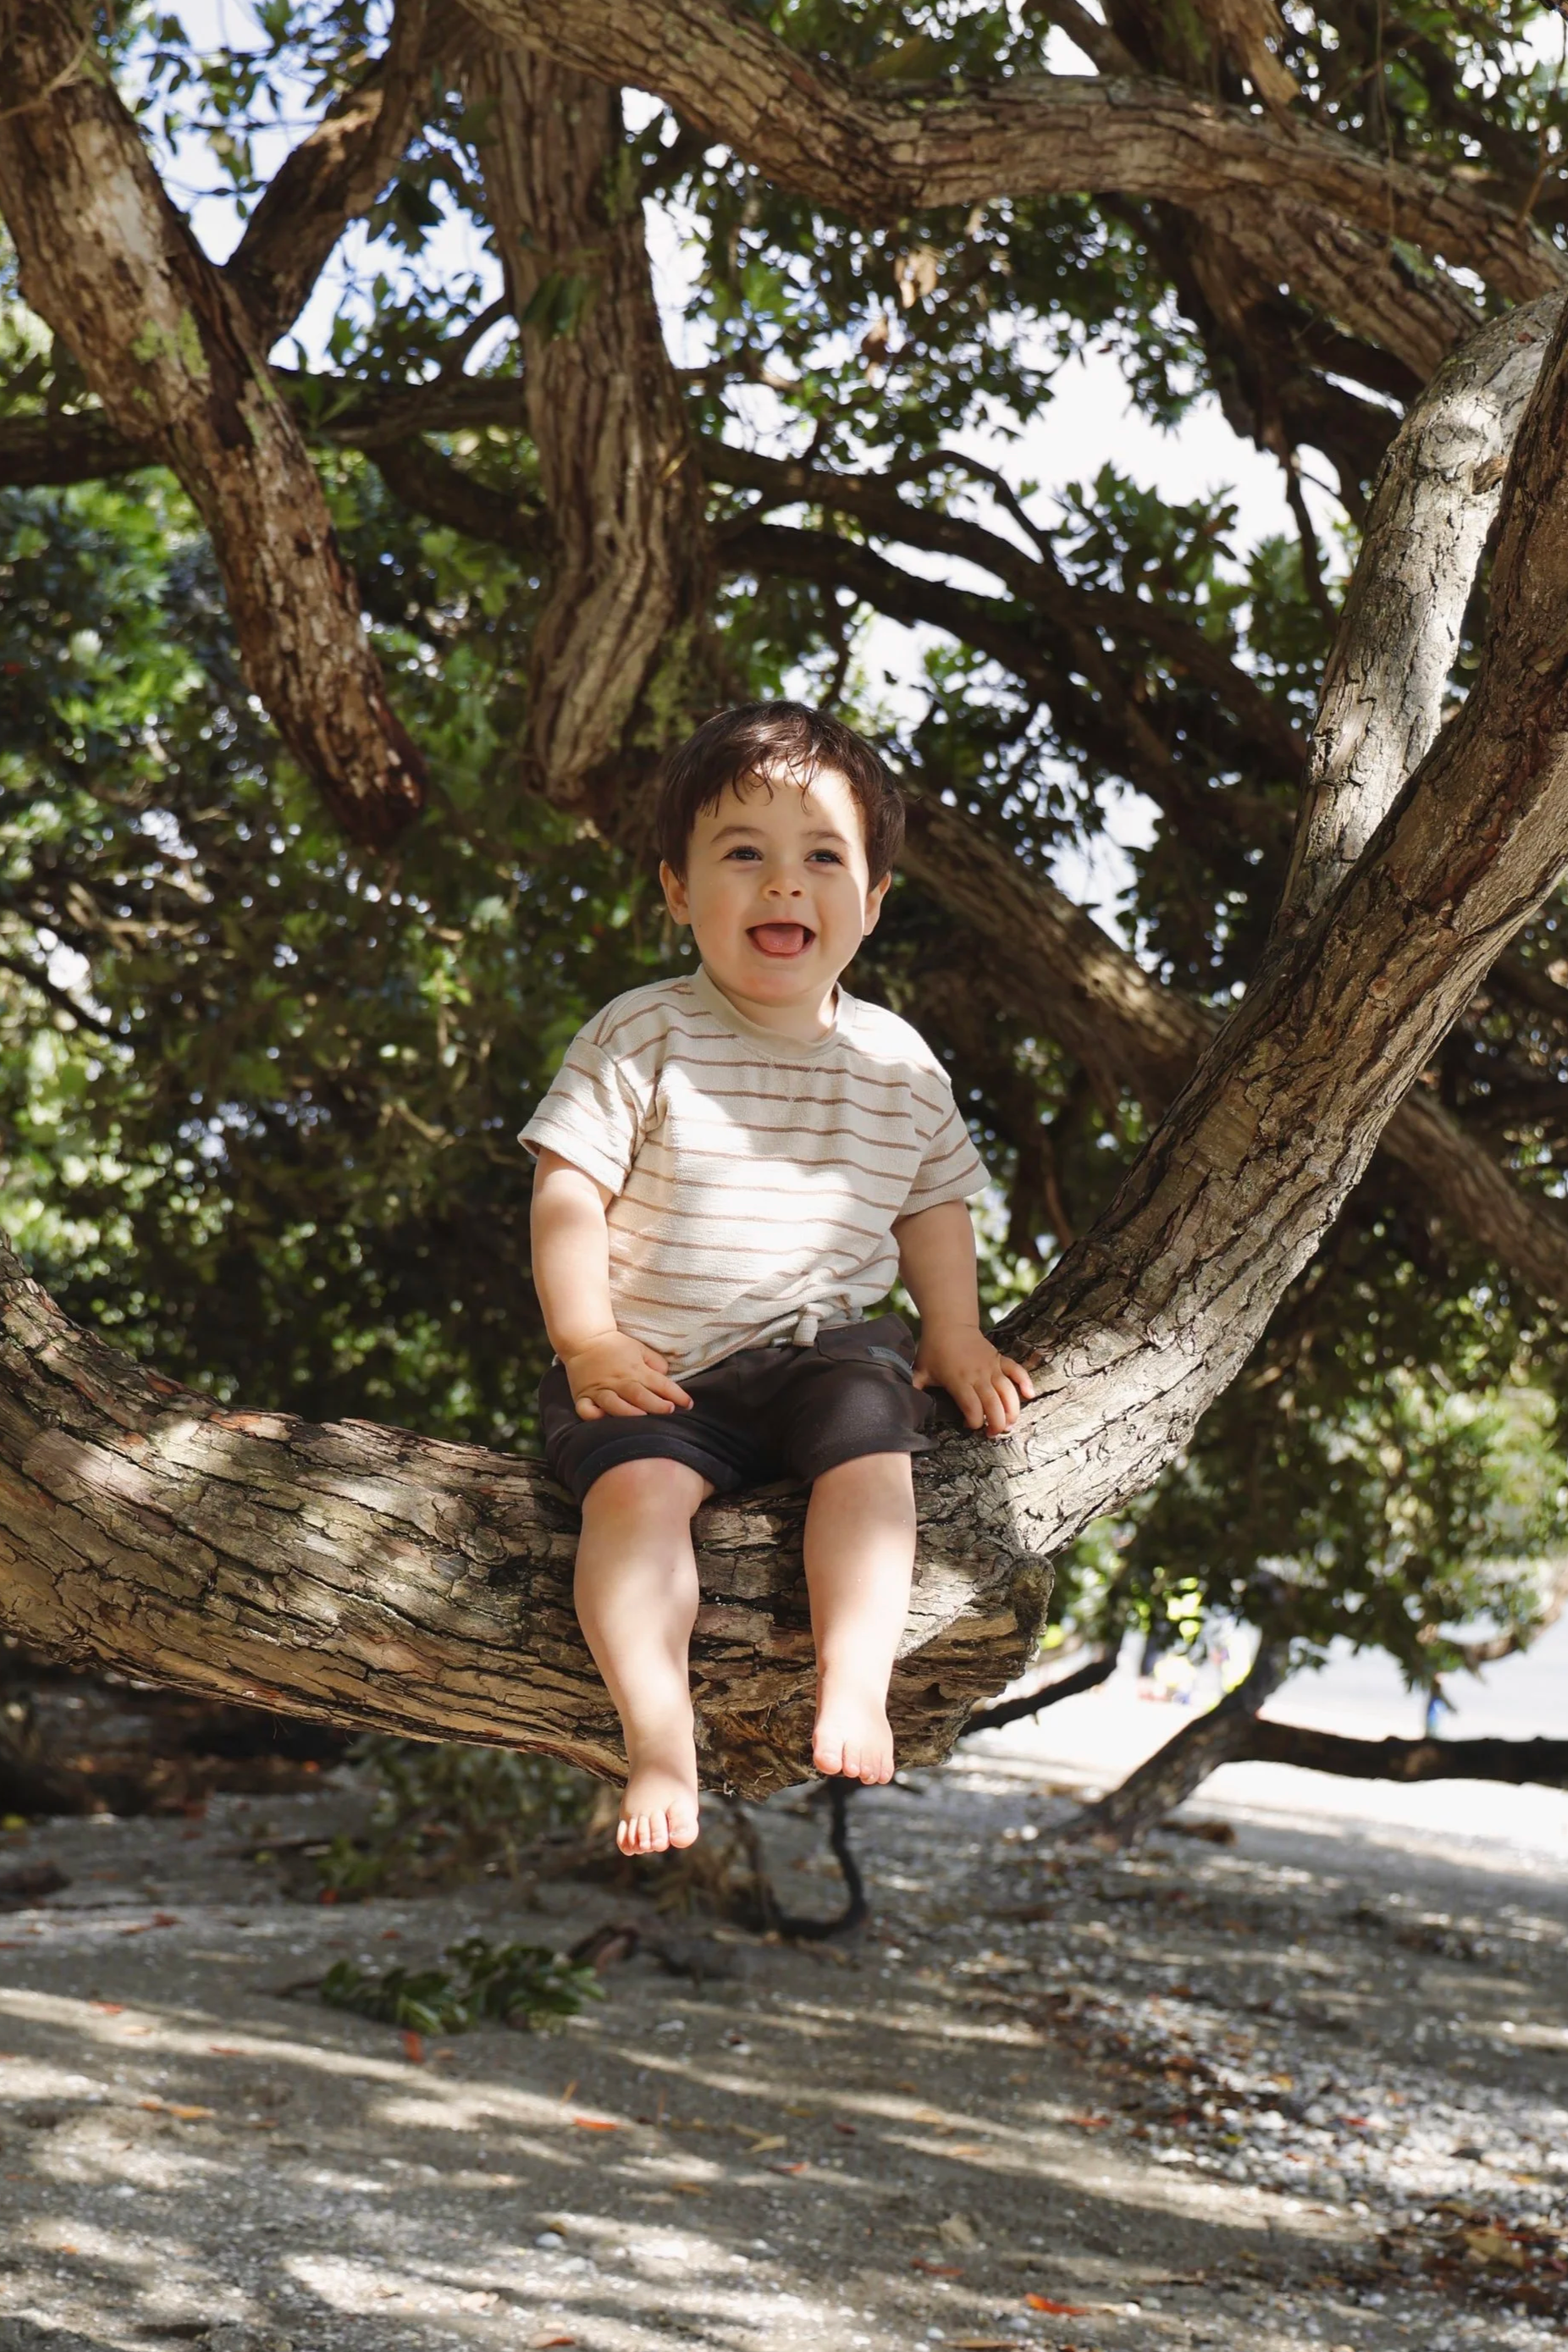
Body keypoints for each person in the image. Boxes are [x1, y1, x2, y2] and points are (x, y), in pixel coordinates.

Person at [521, 704, 1035, 1856]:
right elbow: (566, 1195)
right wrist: (587, 1338)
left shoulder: (898, 1061)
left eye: (821, 858)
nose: (783, 886)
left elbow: (932, 1205)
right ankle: (658, 1737)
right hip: (660, 1366)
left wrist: (956, 1333)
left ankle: (855, 1680)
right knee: (633, 1504)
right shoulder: (639, 1033)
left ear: (875, 898)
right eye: (742, 854)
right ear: (674, 887)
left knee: (872, 1448)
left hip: (820, 1352)